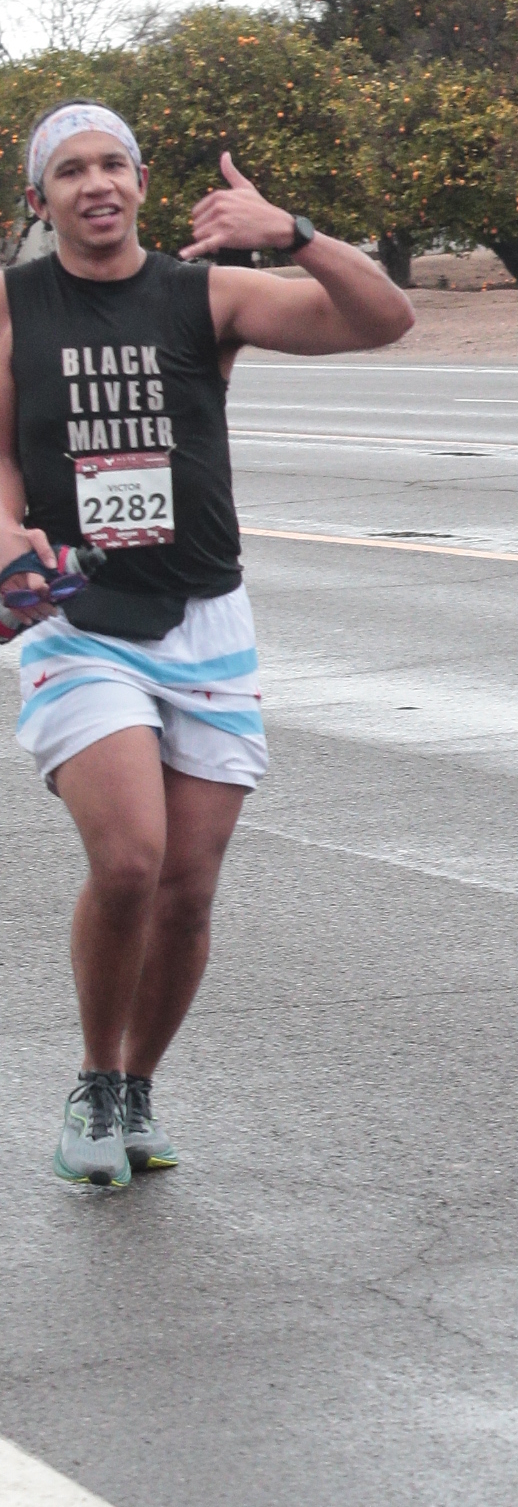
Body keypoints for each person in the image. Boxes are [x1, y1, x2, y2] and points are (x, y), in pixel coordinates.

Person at [0, 109, 413, 1192]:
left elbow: (384, 319)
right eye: (69, 171)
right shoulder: (15, 306)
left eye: (113, 164)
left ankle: (139, 1087)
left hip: (206, 620)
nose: (95, 184)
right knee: (130, 860)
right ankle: (95, 1080)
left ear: (142, 182)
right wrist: (4, 529)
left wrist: (295, 233)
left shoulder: (206, 295)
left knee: (187, 888)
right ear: (39, 199)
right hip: (81, 620)